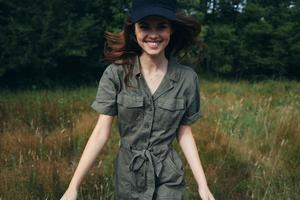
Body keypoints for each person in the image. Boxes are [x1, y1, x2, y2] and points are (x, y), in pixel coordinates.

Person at [61, 0, 215, 199]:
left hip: (168, 175)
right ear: (134, 30)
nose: (153, 35)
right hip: (128, 175)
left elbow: (184, 132)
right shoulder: (116, 74)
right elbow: (101, 132)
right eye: (144, 26)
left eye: (161, 26)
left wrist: (203, 185)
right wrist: (73, 186)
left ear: (172, 30)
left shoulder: (187, 79)